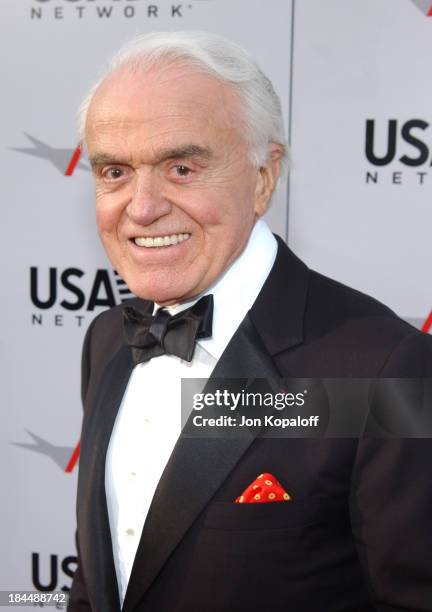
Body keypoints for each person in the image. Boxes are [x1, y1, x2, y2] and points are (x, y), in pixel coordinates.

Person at [69, 31, 432, 612]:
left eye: (181, 167)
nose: (141, 207)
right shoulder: (107, 339)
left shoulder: (385, 371)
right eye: (114, 172)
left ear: (263, 178)